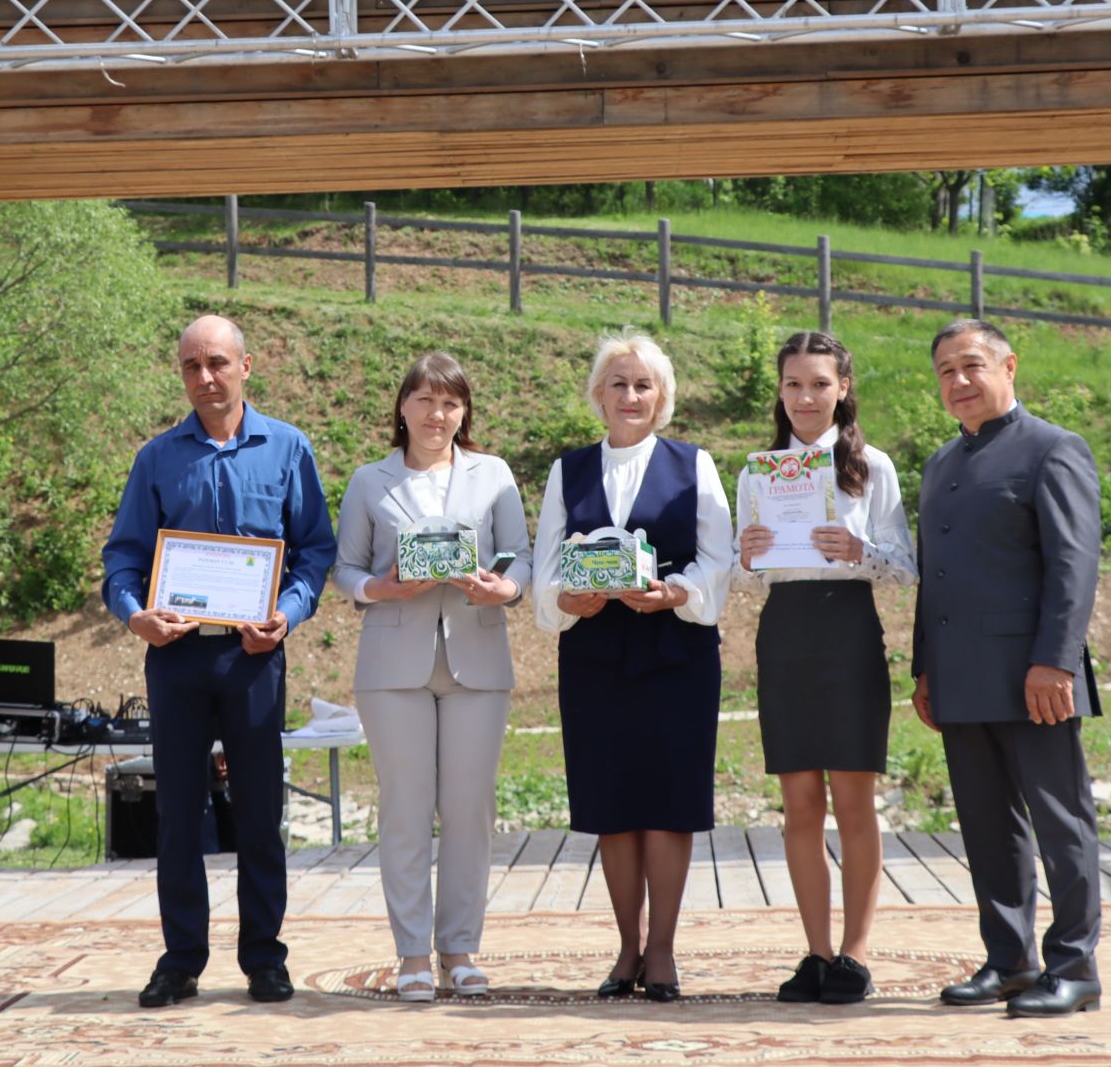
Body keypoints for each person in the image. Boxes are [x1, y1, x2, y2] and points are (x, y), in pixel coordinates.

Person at [102, 315, 337, 1008]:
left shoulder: (288, 449)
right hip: (175, 659)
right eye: (191, 366)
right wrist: (133, 613)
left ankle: (265, 957)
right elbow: (124, 558)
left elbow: (315, 551)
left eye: (217, 363)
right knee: (177, 811)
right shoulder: (157, 458)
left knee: (260, 811)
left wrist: (286, 615)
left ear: (245, 366)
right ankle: (181, 960)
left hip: (254, 658)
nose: (205, 378)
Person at [530, 329, 732, 1003]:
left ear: (662, 396)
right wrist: (569, 601)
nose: (630, 395)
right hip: (593, 655)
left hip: (676, 653)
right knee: (613, 807)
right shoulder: (567, 471)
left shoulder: (694, 464)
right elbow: (545, 573)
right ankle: (625, 948)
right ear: (597, 394)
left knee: (669, 807)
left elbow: (717, 560)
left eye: (643, 384)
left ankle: (665, 950)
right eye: (617, 383)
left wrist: (676, 595)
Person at [911, 319, 1103, 1019]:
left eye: (971, 367)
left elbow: (1073, 566)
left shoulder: (1052, 450)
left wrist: (1055, 662)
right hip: (959, 677)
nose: (958, 383)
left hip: (1035, 677)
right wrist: (924, 668)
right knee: (988, 826)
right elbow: (936, 577)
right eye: (945, 372)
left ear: (1008, 366)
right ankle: (1010, 959)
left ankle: (1075, 966)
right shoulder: (940, 463)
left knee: (1061, 822)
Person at [333, 352, 531, 1002]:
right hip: (392, 665)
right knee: (406, 811)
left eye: (449, 403)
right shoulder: (369, 480)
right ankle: (413, 954)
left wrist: (500, 587)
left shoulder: (494, 475)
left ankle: (461, 949)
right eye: (424, 400)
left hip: (478, 657)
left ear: (464, 411)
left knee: (469, 810)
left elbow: (519, 560)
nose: (436, 415)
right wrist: (382, 588)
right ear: (402, 407)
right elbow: (346, 570)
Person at [733, 332, 916, 1005]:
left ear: (843, 388)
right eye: (793, 385)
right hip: (783, 630)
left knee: (854, 798)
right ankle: (814, 954)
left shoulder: (874, 465)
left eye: (819, 383)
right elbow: (740, 575)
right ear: (779, 393)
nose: (806, 397)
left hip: (848, 628)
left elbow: (905, 566)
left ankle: (856, 956)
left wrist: (858, 548)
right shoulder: (758, 471)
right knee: (800, 802)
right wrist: (746, 556)